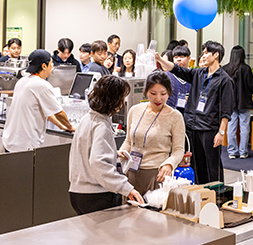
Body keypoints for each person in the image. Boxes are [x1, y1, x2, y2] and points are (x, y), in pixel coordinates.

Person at [155, 41, 234, 184]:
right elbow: (178, 70)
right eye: (203, 53)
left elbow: (226, 110)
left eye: (206, 53)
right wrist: (160, 60)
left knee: (212, 165)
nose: (203, 56)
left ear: (216, 55)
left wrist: (221, 132)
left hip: (209, 128)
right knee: (197, 165)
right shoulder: (199, 73)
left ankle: (216, 193)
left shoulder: (225, 80)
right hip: (193, 126)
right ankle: (200, 191)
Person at [69, 75, 144, 215]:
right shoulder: (102, 125)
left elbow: (86, 151)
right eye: (122, 97)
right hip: (96, 195)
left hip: (77, 192)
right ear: (114, 99)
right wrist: (127, 188)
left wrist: (113, 153)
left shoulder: (87, 119)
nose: (123, 102)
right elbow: (99, 163)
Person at [118, 71, 185, 195]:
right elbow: (129, 141)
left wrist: (169, 164)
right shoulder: (134, 110)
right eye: (153, 93)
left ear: (169, 92)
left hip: (157, 174)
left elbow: (178, 150)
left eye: (163, 94)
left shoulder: (175, 116)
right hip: (131, 171)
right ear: (146, 92)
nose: (158, 98)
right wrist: (121, 154)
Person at [2, 50, 75, 152]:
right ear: (44, 66)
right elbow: (58, 113)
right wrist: (71, 127)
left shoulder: (22, 81)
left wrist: (62, 126)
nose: (52, 67)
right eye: (51, 64)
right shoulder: (42, 85)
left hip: (10, 140)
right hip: (25, 145)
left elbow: (49, 114)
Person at [223, 46, 253, 159]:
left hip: (230, 102)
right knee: (244, 128)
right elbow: (250, 85)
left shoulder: (225, 69)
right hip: (244, 102)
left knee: (231, 127)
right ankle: (243, 152)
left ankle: (232, 152)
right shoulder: (246, 68)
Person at [166, 45, 193, 114]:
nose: (178, 59)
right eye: (176, 57)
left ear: (189, 58)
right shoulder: (167, 76)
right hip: (170, 113)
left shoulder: (194, 75)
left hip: (189, 114)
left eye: (182, 57)